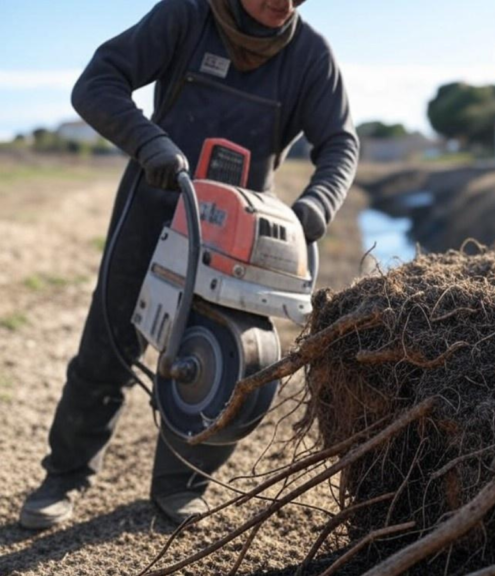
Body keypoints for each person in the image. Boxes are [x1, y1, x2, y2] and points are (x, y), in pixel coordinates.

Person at [19, 0, 359, 529]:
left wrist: (314, 207)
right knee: (107, 346)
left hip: (243, 229)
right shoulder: (186, 15)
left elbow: (339, 143)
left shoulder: (310, 55)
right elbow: (97, 83)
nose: (283, 4)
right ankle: (63, 476)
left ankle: (181, 484)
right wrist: (148, 142)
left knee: (236, 361)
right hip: (157, 201)